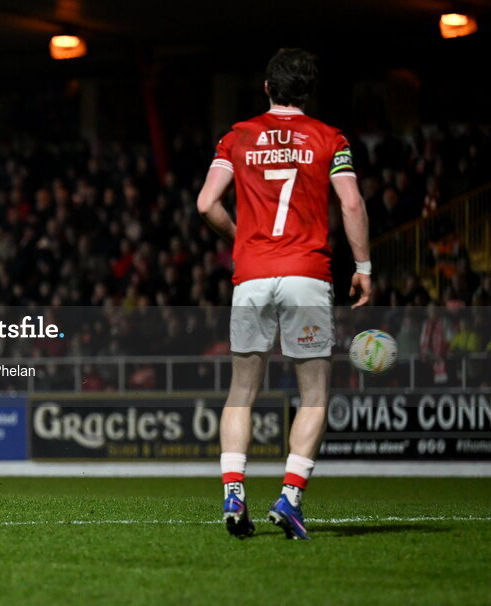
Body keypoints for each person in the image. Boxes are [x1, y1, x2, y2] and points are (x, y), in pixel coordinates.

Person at [196, 49, 371, 540]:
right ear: (307, 93)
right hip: (306, 275)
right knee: (313, 393)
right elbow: (351, 202)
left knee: (242, 391)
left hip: (252, 275)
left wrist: (240, 242)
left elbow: (206, 203)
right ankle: (290, 496)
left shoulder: (238, 137)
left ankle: (234, 490)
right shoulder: (328, 138)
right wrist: (364, 267)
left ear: (268, 88)